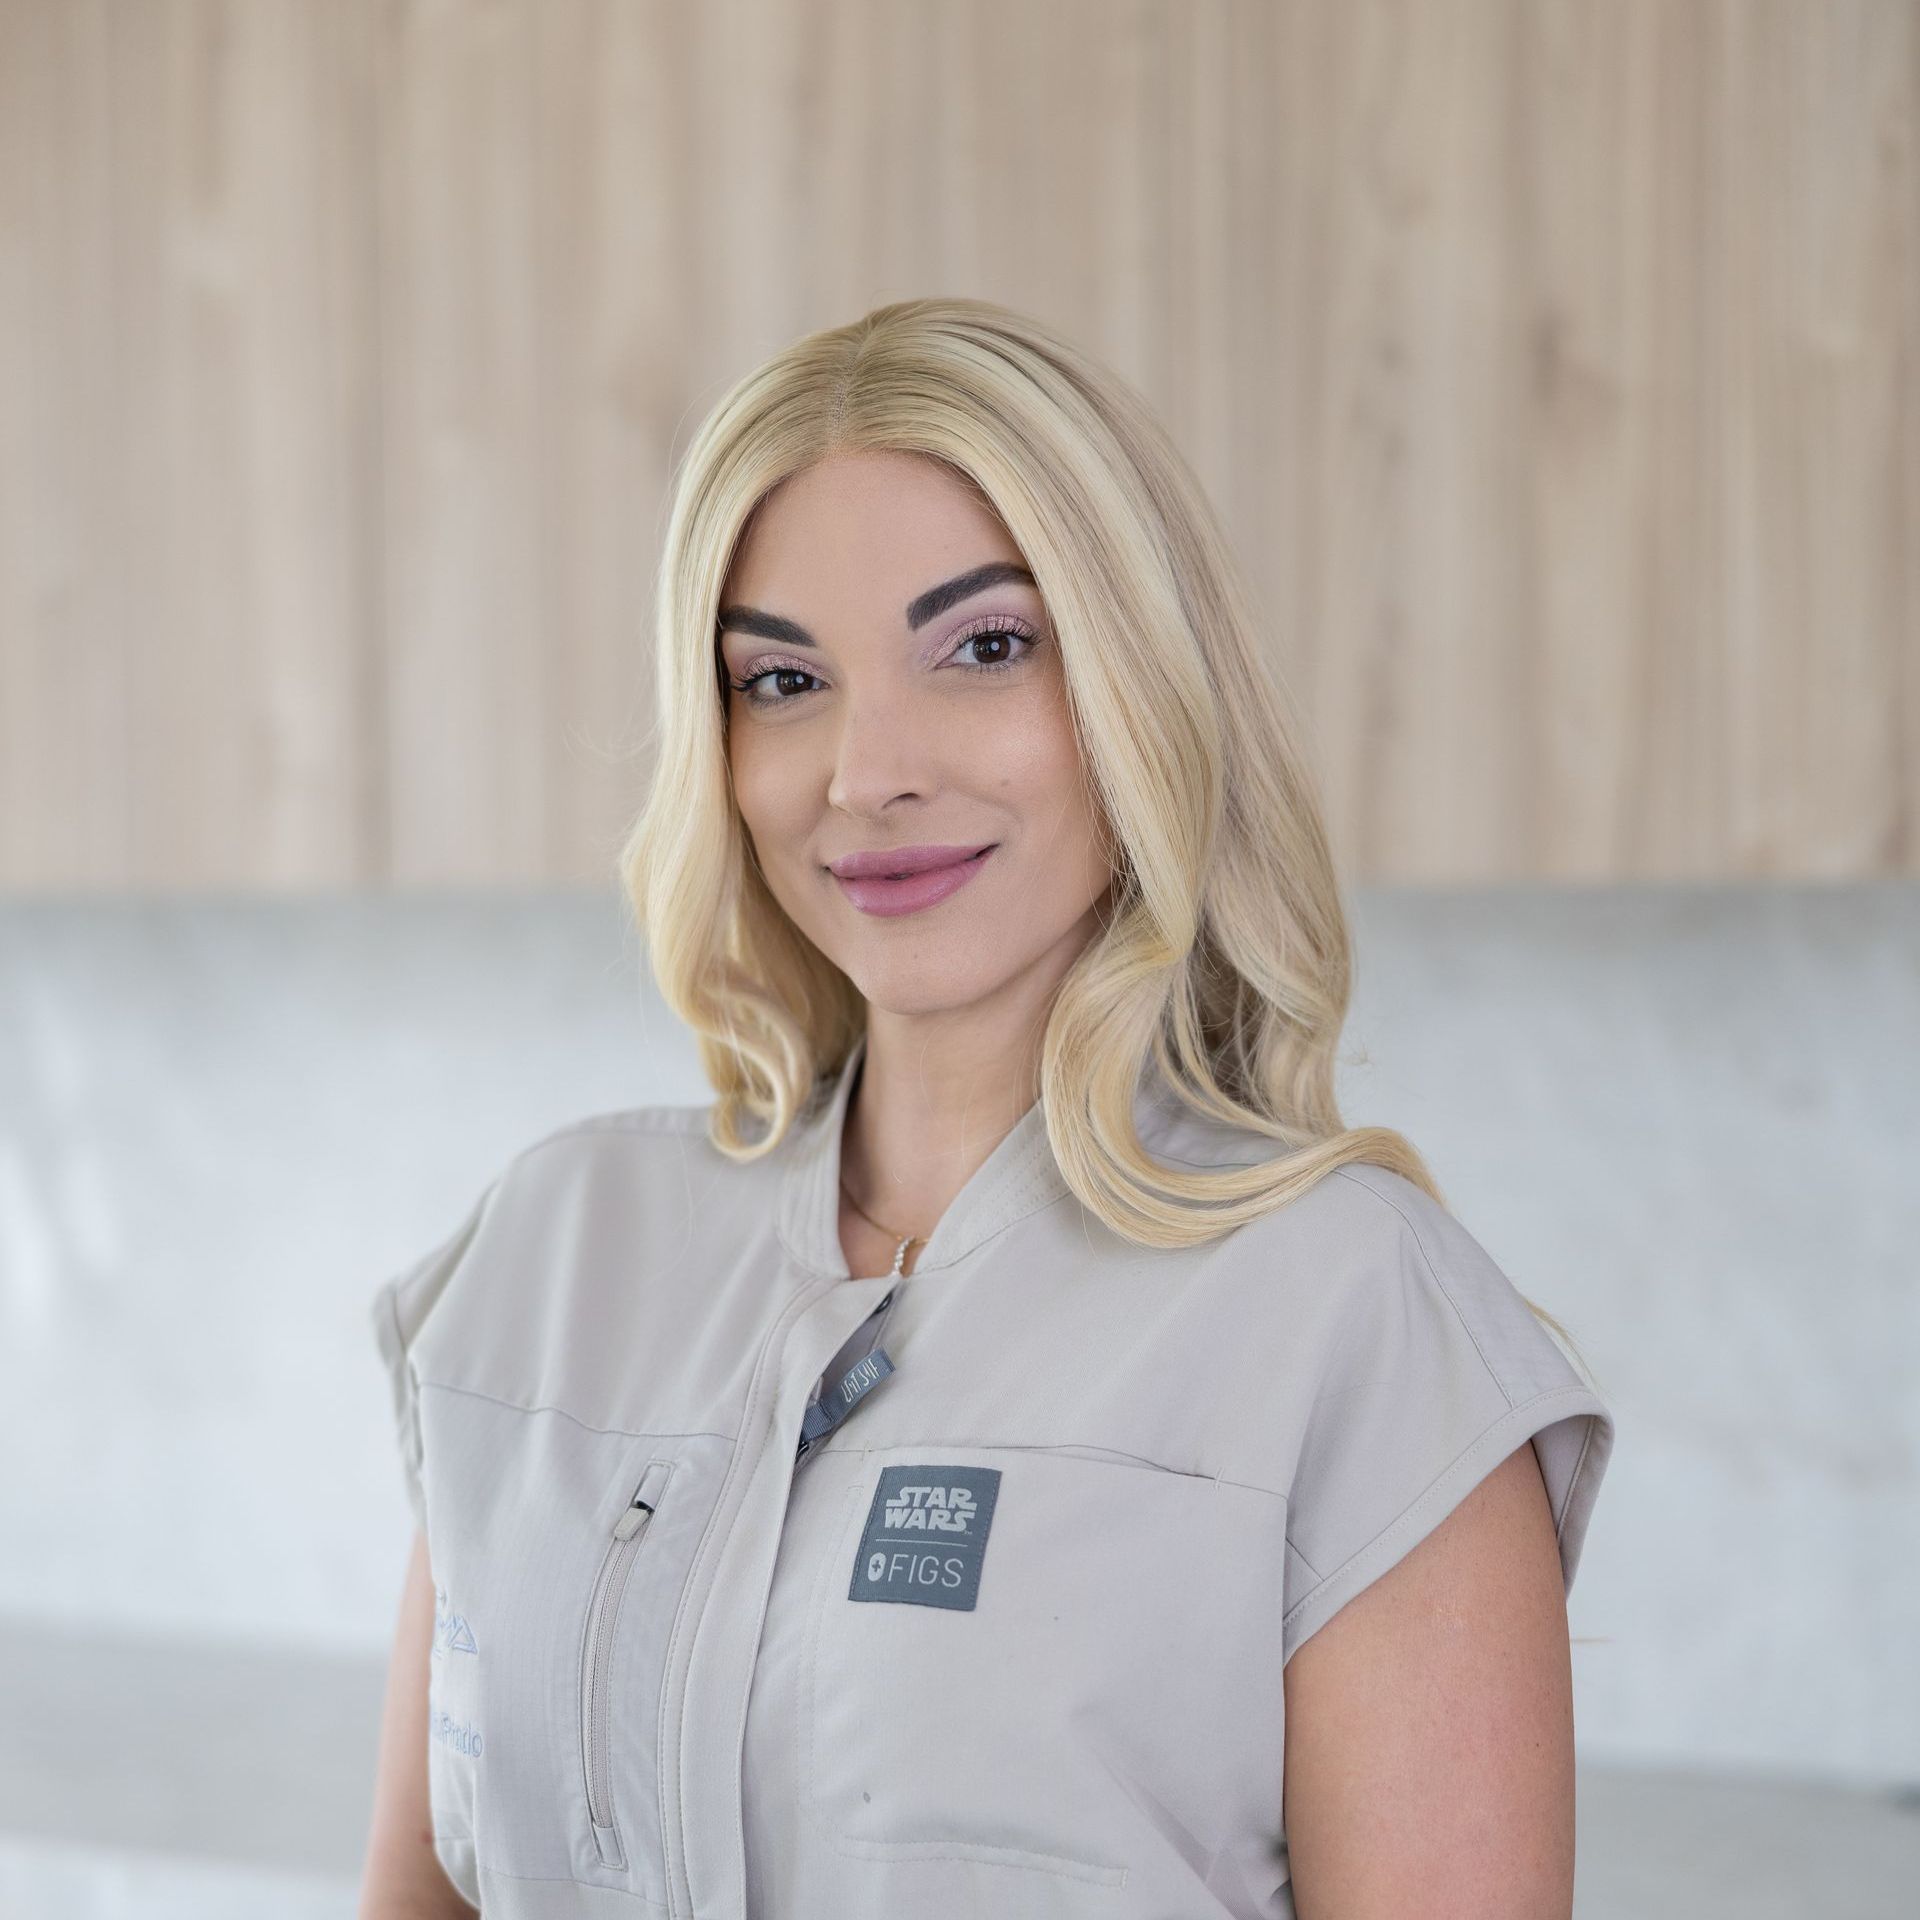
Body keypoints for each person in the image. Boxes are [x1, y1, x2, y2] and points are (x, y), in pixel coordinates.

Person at [359, 296, 1615, 1920]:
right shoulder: (551, 1251)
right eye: (783, 678)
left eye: (986, 647)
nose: (865, 769)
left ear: (1141, 689)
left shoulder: (1357, 1329)